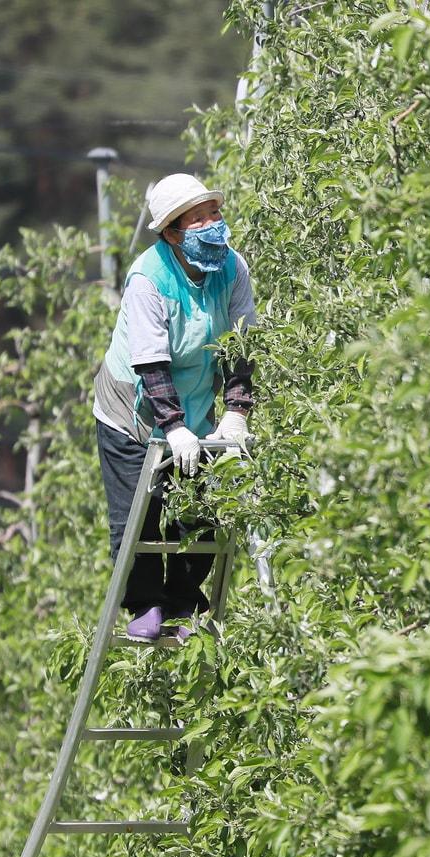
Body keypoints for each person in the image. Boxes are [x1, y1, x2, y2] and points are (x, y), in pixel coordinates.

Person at [91, 173, 257, 642]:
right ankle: (145, 605)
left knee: (204, 507)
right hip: (135, 413)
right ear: (172, 233)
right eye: (198, 218)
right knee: (137, 516)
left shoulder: (233, 268)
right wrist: (173, 427)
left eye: (215, 213)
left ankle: (185, 600)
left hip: (198, 407)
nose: (211, 224)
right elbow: (151, 363)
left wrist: (236, 411)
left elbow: (243, 344)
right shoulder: (150, 278)